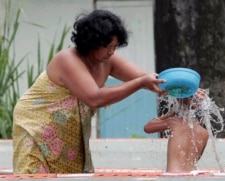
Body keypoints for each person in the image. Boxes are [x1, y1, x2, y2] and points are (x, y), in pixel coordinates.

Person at [12, 9, 166, 174]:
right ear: (92, 42)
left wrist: (185, 91)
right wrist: (140, 83)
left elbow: (150, 79)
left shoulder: (108, 61)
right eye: (107, 46)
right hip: (36, 129)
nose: (111, 51)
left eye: (115, 46)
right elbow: (94, 98)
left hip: (68, 136)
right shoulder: (68, 59)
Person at [144, 89, 209, 173]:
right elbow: (196, 158)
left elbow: (147, 127)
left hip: (173, 176)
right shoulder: (204, 133)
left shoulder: (174, 122)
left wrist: (169, 114)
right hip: (191, 176)